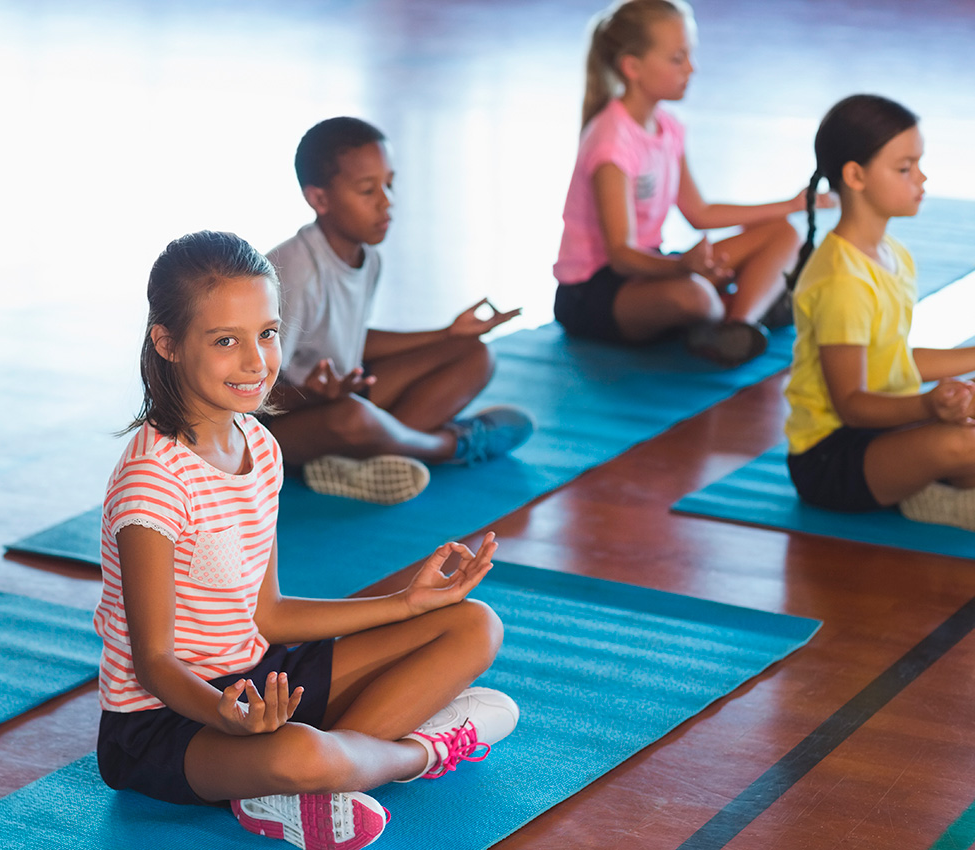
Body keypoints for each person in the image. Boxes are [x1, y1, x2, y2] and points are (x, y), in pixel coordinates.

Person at [94, 231, 520, 850]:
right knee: (298, 752)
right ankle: (420, 750)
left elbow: (267, 613)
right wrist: (228, 718)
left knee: (474, 625)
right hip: (165, 722)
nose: (255, 361)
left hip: (261, 678)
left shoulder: (260, 448)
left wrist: (406, 604)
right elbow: (156, 664)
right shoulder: (151, 484)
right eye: (224, 341)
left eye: (266, 334)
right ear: (167, 343)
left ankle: (312, 780)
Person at [266, 117, 534, 506]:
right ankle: (450, 445)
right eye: (367, 190)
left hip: (339, 395)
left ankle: (362, 459)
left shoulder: (368, 258)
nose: (387, 201)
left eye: (389, 184)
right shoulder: (294, 274)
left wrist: (446, 335)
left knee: (474, 354)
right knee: (353, 418)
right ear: (319, 199)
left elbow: (352, 340)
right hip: (283, 423)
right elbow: (252, 393)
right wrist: (314, 395)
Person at [553, 0, 829, 366]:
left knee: (783, 234)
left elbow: (699, 212)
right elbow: (620, 256)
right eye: (677, 58)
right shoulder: (611, 143)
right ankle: (742, 307)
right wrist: (682, 267)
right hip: (594, 292)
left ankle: (737, 325)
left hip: (651, 268)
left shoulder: (668, 127)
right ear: (632, 67)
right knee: (694, 297)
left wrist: (792, 205)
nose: (691, 68)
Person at [785, 94, 975, 532]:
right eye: (905, 168)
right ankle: (930, 496)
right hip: (833, 457)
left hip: (887, 434)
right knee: (962, 442)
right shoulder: (841, 279)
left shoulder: (892, 255)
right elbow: (852, 406)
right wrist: (929, 406)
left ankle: (928, 481)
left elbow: (895, 358)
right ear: (855, 175)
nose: (922, 178)